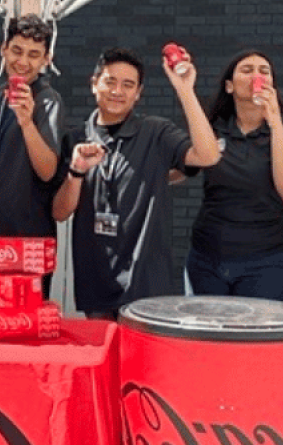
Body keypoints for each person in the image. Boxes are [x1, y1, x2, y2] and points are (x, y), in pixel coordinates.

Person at [53, 47, 220, 320]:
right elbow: (60, 212)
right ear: (94, 84)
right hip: (96, 285)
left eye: (128, 85)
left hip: (148, 287)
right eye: (110, 81)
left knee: (144, 363)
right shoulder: (75, 139)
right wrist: (77, 172)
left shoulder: (156, 132)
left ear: (138, 93)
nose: (118, 91)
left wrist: (185, 90)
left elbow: (208, 155)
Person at [188, 50, 283, 301]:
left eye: (264, 71)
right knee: (211, 337)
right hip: (208, 256)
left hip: (265, 261)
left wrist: (275, 122)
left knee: (258, 338)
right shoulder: (214, 128)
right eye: (247, 70)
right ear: (229, 86)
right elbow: (181, 168)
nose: (256, 76)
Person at [0, 14, 62, 247]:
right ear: (3, 49)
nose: (22, 61)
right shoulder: (0, 94)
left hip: (27, 233)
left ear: (46, 59)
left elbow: (47, 170)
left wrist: (26, 122)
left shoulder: (47, 101)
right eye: (17, 50)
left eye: (33, 55)